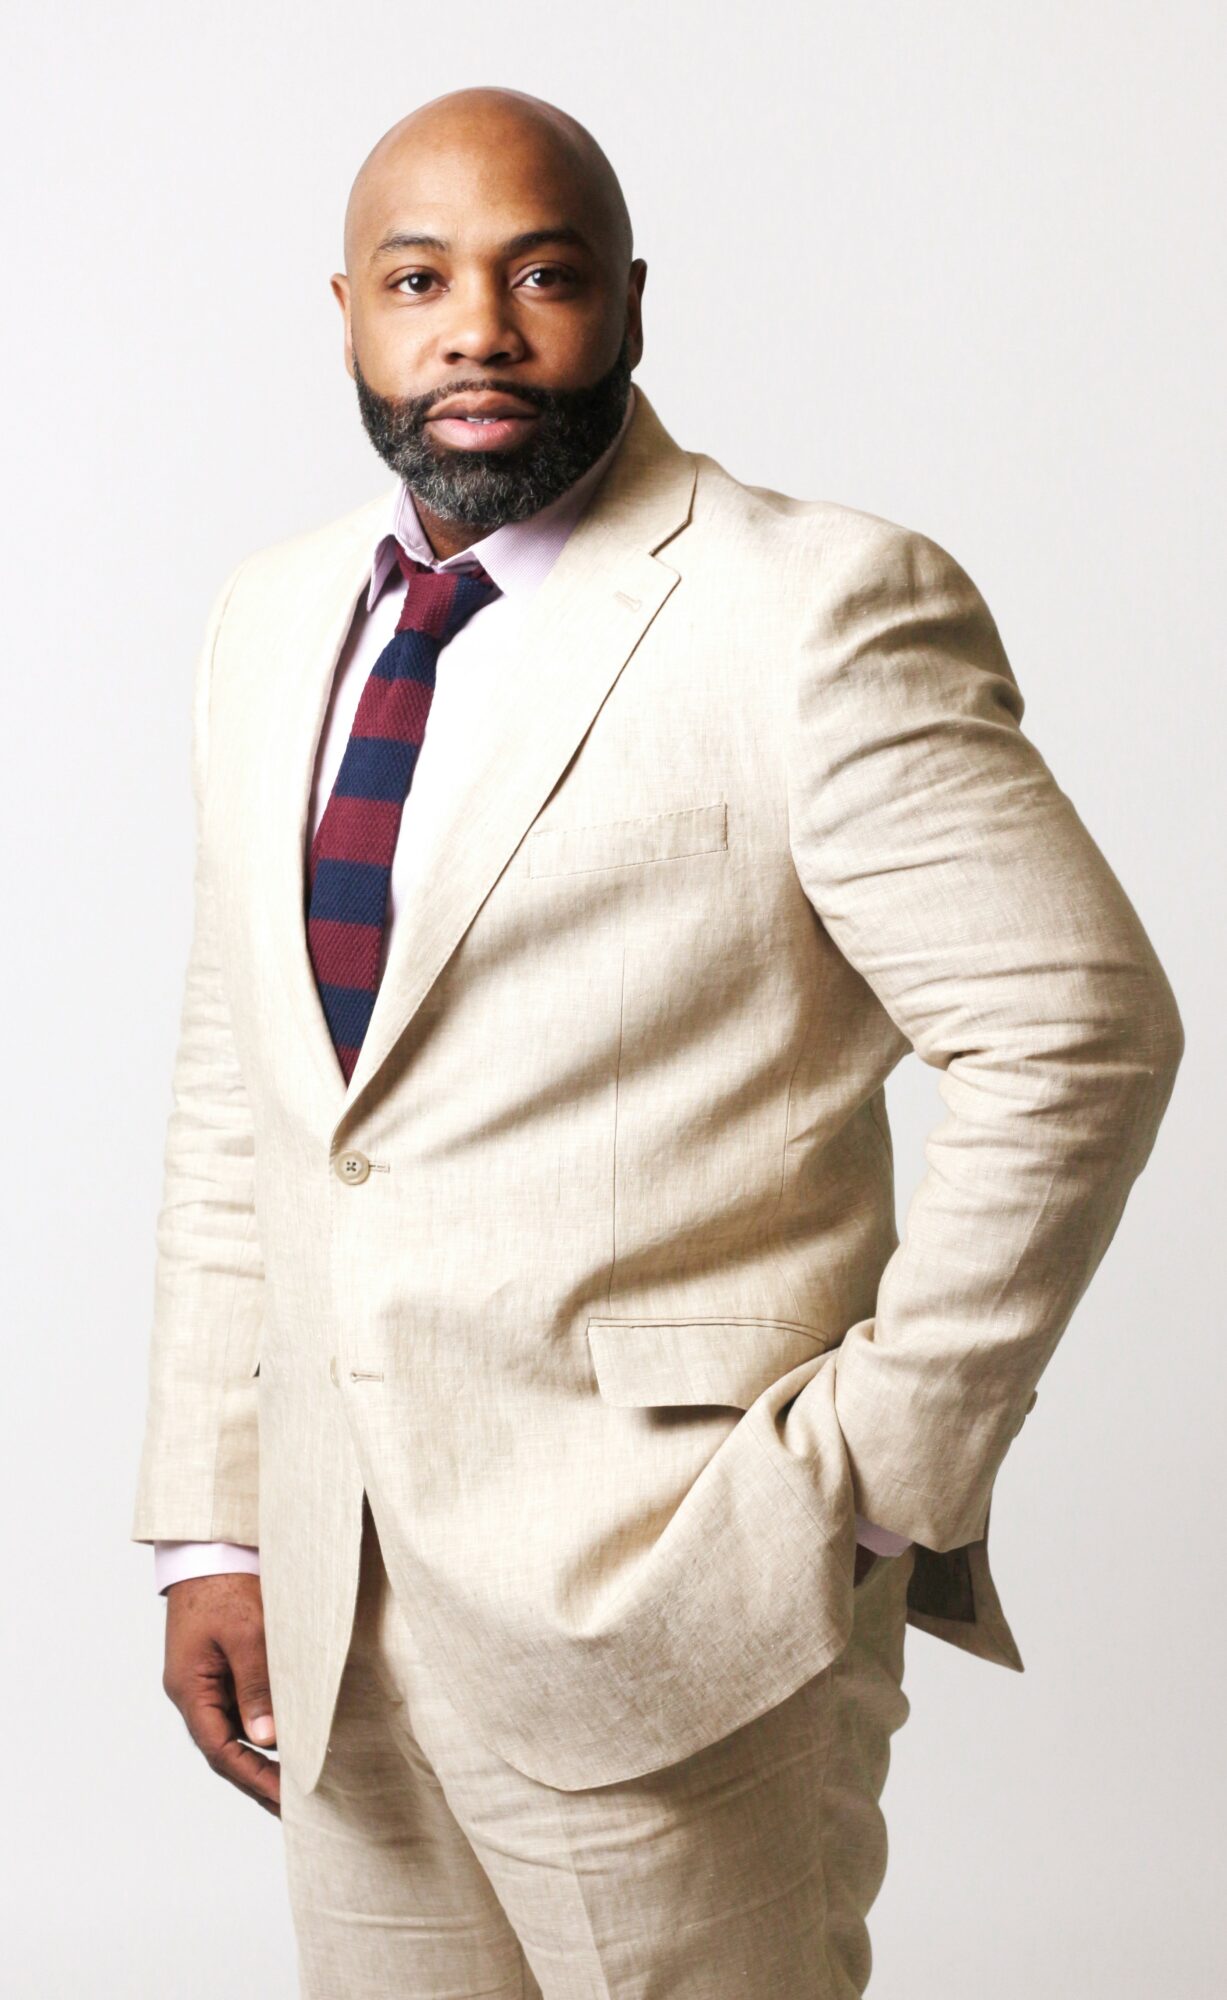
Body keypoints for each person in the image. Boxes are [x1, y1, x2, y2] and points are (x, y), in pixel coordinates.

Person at [132, 84, 1185, 1999]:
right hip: (337, 1600)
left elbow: (1078, 1031)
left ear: (629, 298)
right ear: (348, 312)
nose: (477, 328)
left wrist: (879, 1469)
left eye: (540, 275)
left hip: (684, 1591)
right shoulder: (269, 623)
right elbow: (250, 1086)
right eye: (419, 281)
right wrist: (211, 1519)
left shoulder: (813, 607)